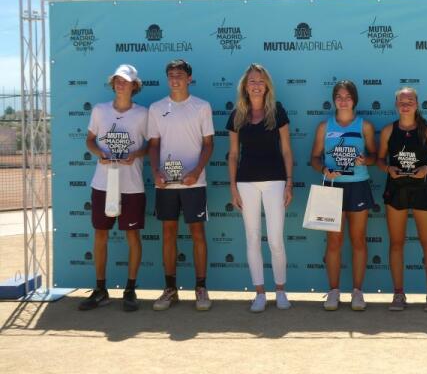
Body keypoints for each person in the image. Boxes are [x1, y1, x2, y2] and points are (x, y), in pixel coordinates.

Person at [78, 64, 148, 312]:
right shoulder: (99, 110)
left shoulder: (143, 114)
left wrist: (136, 155)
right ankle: (100, 290)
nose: (121, 84)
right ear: (113, 83)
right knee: (100, 234)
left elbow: (151, 146)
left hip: (131, 184)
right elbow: (89, 140)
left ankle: (130, 290)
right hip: (103, 182)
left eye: (126, 80)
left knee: (132, 236)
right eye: (117, 80)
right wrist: (100, 154)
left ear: (134, 86)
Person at [148, 59, 214, 311]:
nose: (175, 79)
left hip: (194, 183)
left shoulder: (201, 107)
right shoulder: (156, 108)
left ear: (189, 78)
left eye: (180, 75)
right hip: (166, 184)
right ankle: (170, 289)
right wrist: (155, 171)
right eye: (171, 75)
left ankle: (201, 288)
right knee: (168, 233)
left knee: (198, 233)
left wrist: (196, 171)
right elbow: (153, 145)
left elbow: (209, 144)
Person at [227, 64, 294, 313]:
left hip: (275, 181)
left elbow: (287, 150)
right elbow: (233, 155)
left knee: (275, 240)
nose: (256, 85)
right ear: (245, 85)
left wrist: (289, 182)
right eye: (252, 81)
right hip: (246, 183)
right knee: (253, 239)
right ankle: (259, 293)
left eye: (261, 81)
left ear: (267, 86)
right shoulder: (237, 115)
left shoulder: (277, 111)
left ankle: (280, 290)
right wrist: (233, 187)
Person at [310, 80, 377, 311]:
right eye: (339, 96)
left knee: (358, 240)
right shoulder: (324, 127)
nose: (343, 100)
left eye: (348, 96)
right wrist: (324, 170)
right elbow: (314, 158)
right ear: (333, 99)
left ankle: (357, 292)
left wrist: (363, 160)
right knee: (334, 242)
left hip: (358, 185)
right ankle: (334, 291)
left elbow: (375, 158)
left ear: (355, 100)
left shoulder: (364, 126)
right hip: (332, 188)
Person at [376, 86, 427, 312]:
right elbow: (379, 160)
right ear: (396, 104)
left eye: (410, 101)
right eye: (402, 101)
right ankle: (398, 295)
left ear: (417, 104)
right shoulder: (388, 131)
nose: (406, 104)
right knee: (396, 243)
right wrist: (388, 169)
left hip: (422, 189)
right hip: (396, 190)